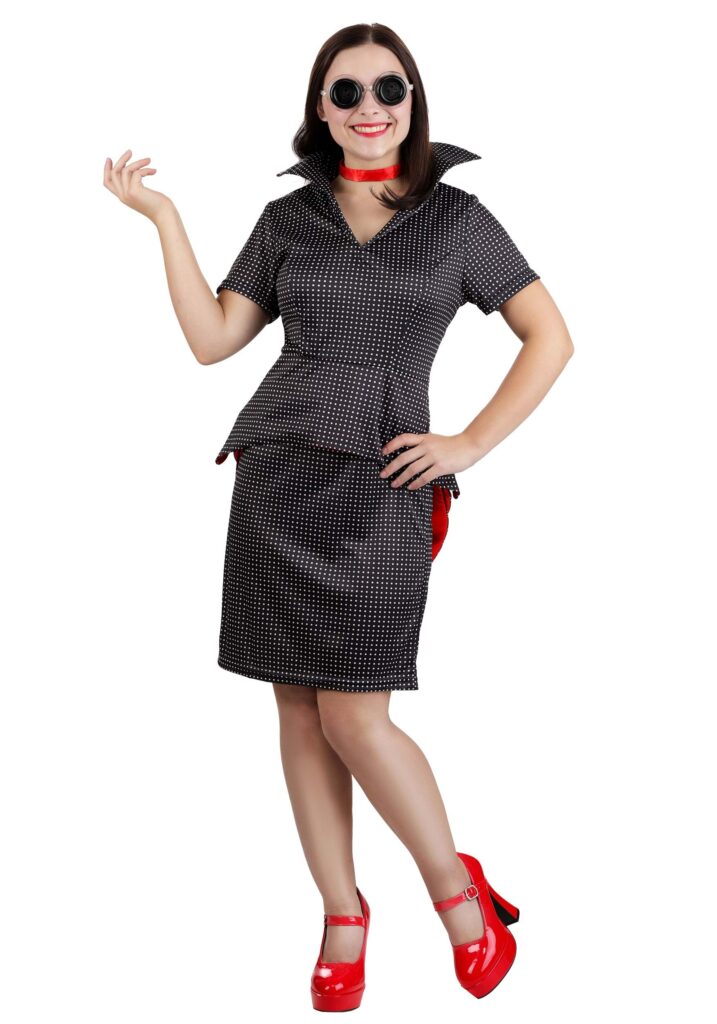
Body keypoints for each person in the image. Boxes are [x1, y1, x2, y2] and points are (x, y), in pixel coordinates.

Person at [103, 21, 572, 1011]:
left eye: (388, 89)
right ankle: (340, 911)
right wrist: (163, 218)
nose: (370, 108)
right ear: (321, 108)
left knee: (357, 714)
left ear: (412, 99)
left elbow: (550, 337)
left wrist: (468, 442)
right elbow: (213, 339)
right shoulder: (290, 219)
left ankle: (456, 891)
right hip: (276, 480)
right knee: (298, 709)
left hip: (385, 487)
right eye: (347, 91)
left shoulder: (457, 220)